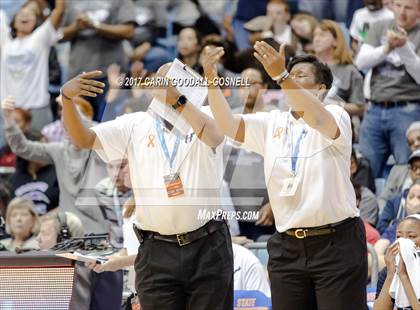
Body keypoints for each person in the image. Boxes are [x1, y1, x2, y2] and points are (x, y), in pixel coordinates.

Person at [202, 42, 367, 309]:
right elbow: (227, 125)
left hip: (336, 242)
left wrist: (281, 75)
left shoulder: (336, 114)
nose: (290, 81)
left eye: (300, 76)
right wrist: (211, 79)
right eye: (289, 76)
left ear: (321, 89)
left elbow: (319, 120)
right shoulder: (272, 122)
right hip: (287, 246)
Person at [60, 65, 233, 309]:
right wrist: (67, 100)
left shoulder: (205, 115)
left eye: (170, 79)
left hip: (208, 245)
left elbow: (215, 137)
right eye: (158, 79)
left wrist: (178, 100)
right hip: (156, 249)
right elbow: (84, 139)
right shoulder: (134, 124)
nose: (161, 84)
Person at [1, 96, 108, 234]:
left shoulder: (99, 148)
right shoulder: (58, 150)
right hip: (66, 231)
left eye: (74, 116)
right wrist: (8, 119)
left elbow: (95, 128)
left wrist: (69, 105)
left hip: (97, 230)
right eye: (65, 117)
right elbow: (22, 147)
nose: (68, 122)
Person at [355, 0, 420, 178]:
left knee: (407, 170)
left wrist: (404, 47)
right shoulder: (379, 26)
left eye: (408, 8)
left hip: (408, 110)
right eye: (398, 6)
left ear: (419, 12)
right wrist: (387, 48)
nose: (401, 12)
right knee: (364, 170)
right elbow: (361, 62)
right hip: (374, 109)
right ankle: (366, 205)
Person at [61, 0, 136, 121]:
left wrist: (95, 25)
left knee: (111, 125)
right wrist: (76, 27)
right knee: (78, 126)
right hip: (79, 75)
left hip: (111, 74)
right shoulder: (69, 2)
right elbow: (58, 35)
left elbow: (128, 31)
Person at [224, 67, 275, 240]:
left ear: (264, 87)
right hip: (233, 214)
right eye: (241, 84)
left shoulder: (276, 118)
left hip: (267, 214)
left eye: (252, 83)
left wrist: (274, 204)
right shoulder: (228, 119)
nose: (246, 87)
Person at [0, 0, 65, 130]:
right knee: (6, 149)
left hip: (36, 109)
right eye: (21, 14)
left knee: (39, 149)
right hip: (9, 109)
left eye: (31, 14)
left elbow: (59, 10)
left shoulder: (40, 38)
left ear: (36, 21)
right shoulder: (5, 41)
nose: (25, 15)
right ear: (13, 21)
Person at [313, 19, 366, 119]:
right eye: (315, 35)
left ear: (336, 41)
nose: (316, 39)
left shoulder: (349, 71)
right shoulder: (308, 68)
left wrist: (334, 105)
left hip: (338, 126)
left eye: (322, 35)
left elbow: (360, 108)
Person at [373, 215, 420, 310]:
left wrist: (404, 276)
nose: (403, 241)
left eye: (411, 236)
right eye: (399, 236)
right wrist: (390, 275)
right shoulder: (388, 271)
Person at [9, 129, 59, 215]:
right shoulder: (14, 179)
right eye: (41, 148)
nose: (46, 152)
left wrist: (44, 220)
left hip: (52, 224)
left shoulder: (57, 173)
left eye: (47, 147)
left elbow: (68, 204)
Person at [375, 180, 420, 270]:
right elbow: (375, 255)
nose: (414, 201)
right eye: (411, 197)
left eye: (419, 198)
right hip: (392, 275)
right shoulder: (397, 225)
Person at [379, 122, 420, 210]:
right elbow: (384, 198)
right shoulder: (397, 170)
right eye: (411, 143)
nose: (416, 144)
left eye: (419, 139)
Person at [377, 152, 420, 233]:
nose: (418, 172)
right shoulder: (395, 201)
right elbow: (381, 228)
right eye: (414, 168)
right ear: (410, 171)